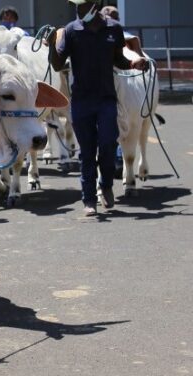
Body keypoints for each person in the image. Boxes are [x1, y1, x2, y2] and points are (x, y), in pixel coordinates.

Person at [48, 0, 149, 216]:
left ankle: (106, 185)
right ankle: (89, 200)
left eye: (82, 6)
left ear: (94, 6)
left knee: (107, 145)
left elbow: (119, 59)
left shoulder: (113, 29)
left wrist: (134, 63)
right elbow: (57, 64)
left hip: (106, 99)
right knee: (86, 152)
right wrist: (52, 47)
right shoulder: (71, 30)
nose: (78, 10)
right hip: (81, 100)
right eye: (76, 6)